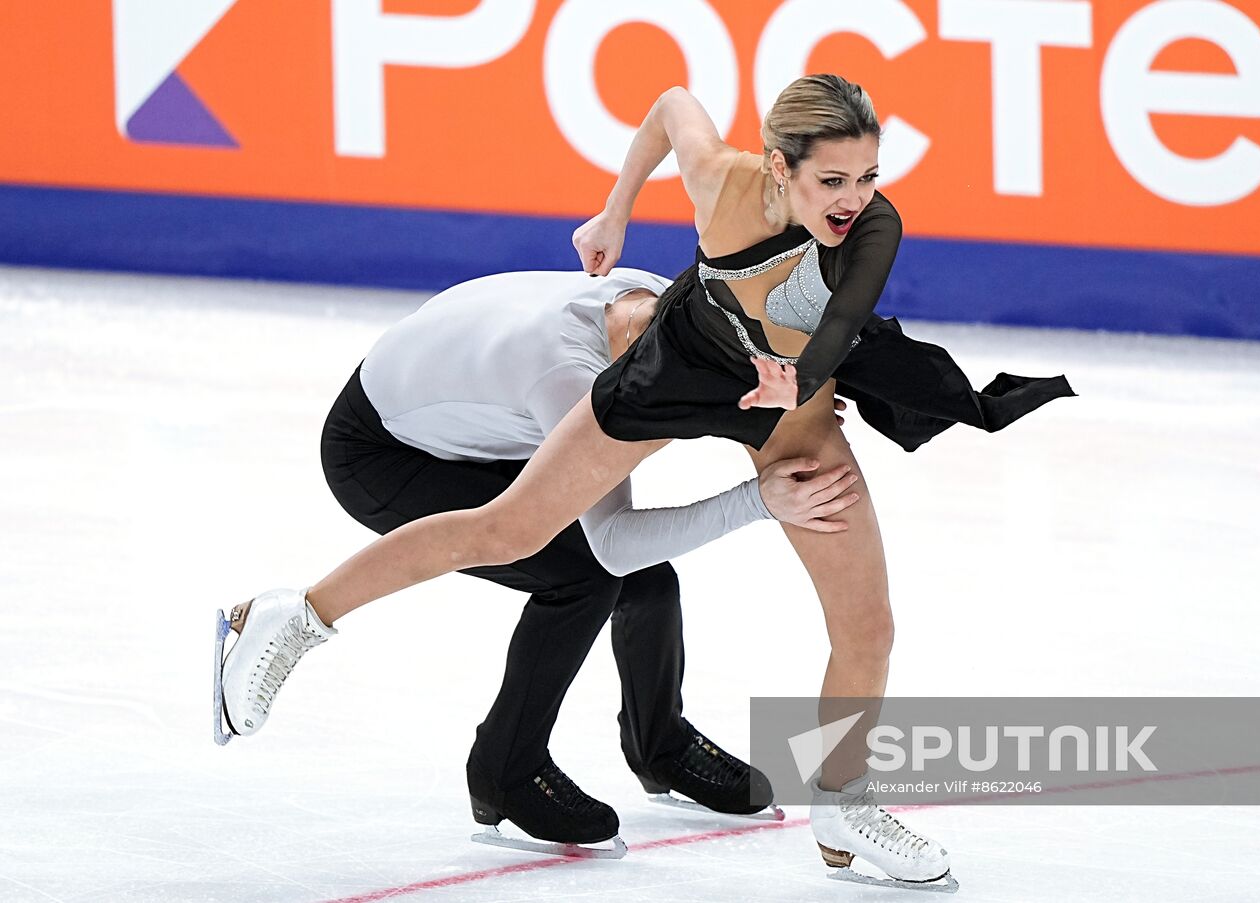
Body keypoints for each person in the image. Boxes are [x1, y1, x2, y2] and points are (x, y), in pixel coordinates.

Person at [221, 74, 1072, 885]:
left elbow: (844, 314)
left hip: (790, 400)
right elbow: (670, 106)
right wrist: (615, 210)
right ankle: (292, 617)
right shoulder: (725, 180)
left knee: (868, 623)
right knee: (513, 529)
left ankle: (845, 805)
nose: (853, 199)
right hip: (672, 370)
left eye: (869, 176)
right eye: (833, 179)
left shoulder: (873, 228)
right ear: (780, 168)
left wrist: (800, 380)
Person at [217, 266, 861, 855]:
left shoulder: (666, 308)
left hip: (460, 407)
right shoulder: (578, 385)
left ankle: (659, 746)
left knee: (643, 578)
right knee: (584, 579)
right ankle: (505, 770)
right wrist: (758, 500)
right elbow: (611, 542)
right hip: (384, 454)